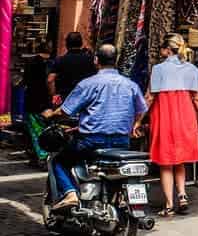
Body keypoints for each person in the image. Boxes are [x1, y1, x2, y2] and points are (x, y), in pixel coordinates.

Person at [43, 44, 146, 212]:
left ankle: (70, 193)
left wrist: (51, 114)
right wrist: (136, 124)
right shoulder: (130, 85)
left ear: (96, 60)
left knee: (58, 161)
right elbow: (142, 109)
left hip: (92, 141)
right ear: (116, 60)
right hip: (121, 142)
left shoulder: (88, 84)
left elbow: (65, 111)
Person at [146, 33, 198, 217]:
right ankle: (182, 195)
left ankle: (170, 205)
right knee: (179, 160)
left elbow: (149, 98)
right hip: (185, 116)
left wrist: (138, 120)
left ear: (167, 50)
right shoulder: (192, 69)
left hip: (165, 117)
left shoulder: (158, 69)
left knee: (165, 163)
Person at [47, 33, 93, 106]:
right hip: (84, 98)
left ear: (67, 44)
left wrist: (54, 95)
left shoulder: (60, 60)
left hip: (64, 98)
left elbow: (50, 80)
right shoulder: (90, 60)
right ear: (81, 43)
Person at [21, 40, 54, 118]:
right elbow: (51, 81)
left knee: (32, 121)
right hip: (45, 97)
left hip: (31, 97)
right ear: (50, 50)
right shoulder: (52, 63)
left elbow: (25, 80)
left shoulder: (29, 61)